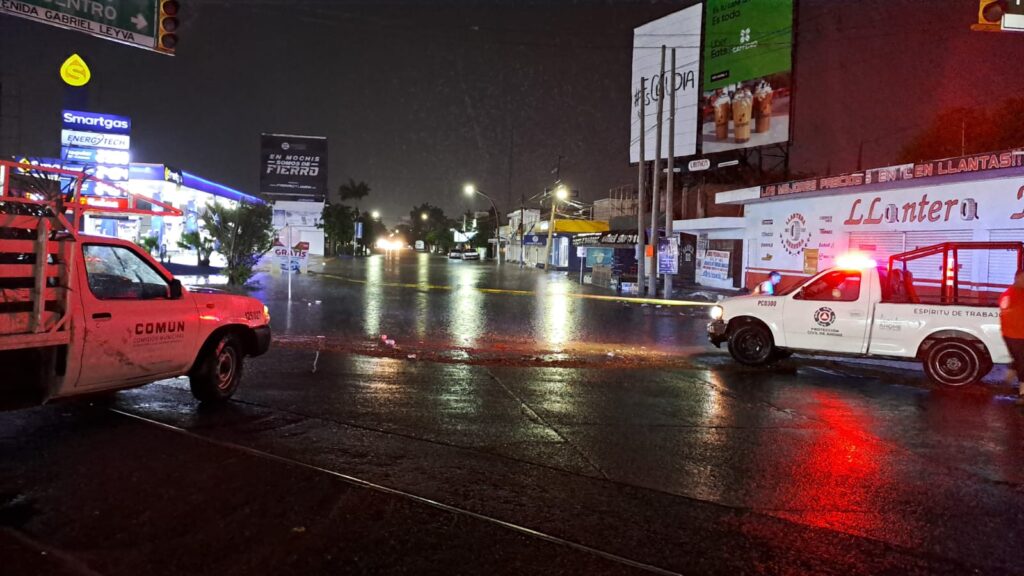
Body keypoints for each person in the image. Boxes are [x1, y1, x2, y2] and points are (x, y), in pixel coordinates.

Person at [999, 270, 1024, 399]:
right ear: (1017, 278)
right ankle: (1022, 393)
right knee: (1022, 362)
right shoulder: (1009, 294)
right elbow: (1008, 314)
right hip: (1014, 336)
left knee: (1020, 360)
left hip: (1019, 335)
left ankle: (1009, 376)